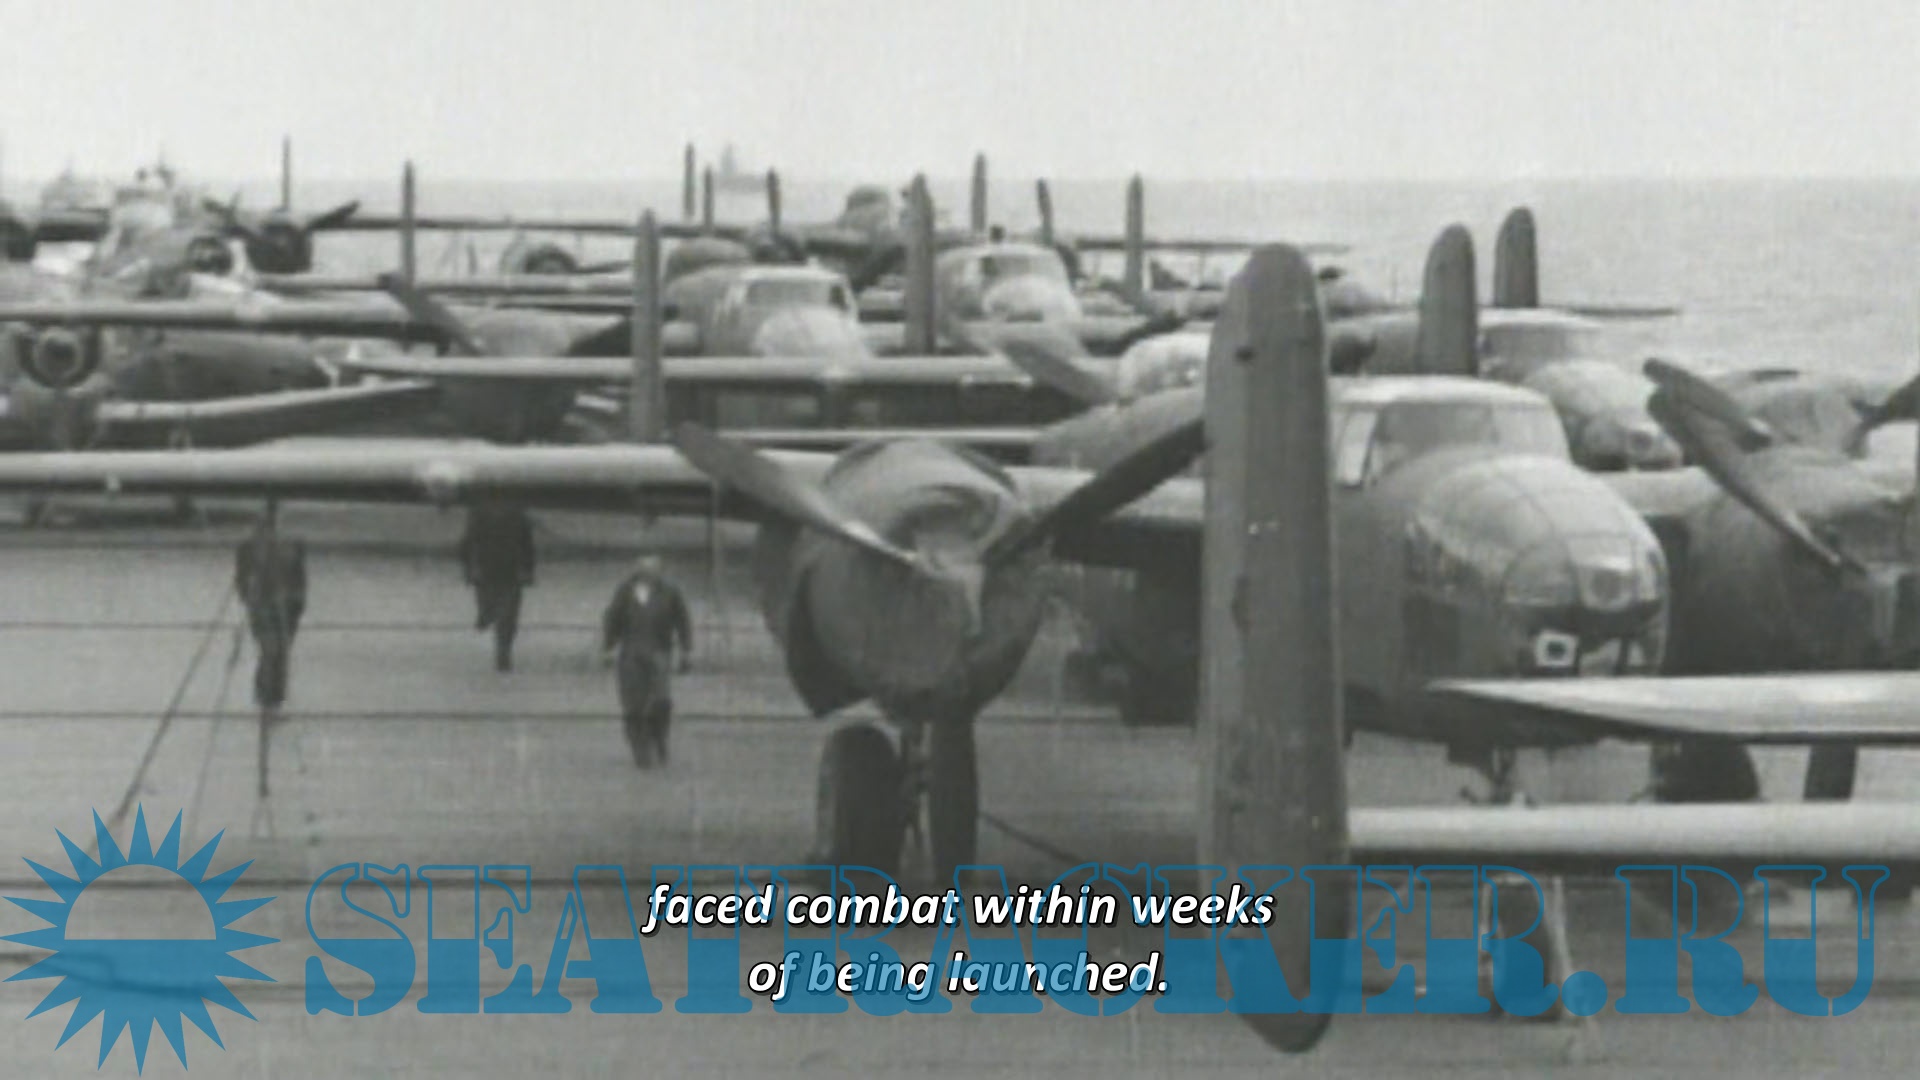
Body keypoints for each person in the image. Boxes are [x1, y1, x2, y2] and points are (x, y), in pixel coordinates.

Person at [600, 555, 693, 768]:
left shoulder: (670, 592)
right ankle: (639, 747)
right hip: (631, 654)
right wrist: (608, 647)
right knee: (633, 704)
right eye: (646, 570)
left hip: (659, 652)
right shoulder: (625, 592)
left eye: (655, 570)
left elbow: (683, 621)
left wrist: (686, 650)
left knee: (661, 700)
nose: (650, 574)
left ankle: (659, 737)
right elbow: (613, 619)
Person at [234, 501, 307, 717]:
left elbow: (299, 577)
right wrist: (249, 598)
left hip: (285, 606)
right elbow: (241, 578)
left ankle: (274, 699)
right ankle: (266, 699)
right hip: (263, 604)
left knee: (281, 652)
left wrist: (297, 603)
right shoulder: (248, 548)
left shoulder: (293, 545)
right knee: (270, 651)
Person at [458, 505, 536, 672]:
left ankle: (503, 651)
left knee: (508, 614)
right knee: (496, 609)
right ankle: (488, 617)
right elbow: (468, 544)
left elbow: (527, 543)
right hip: (490, 568)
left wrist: (527, 570)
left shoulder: (515, 513)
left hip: (508, 569)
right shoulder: (480, 512)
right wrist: (469, 569)